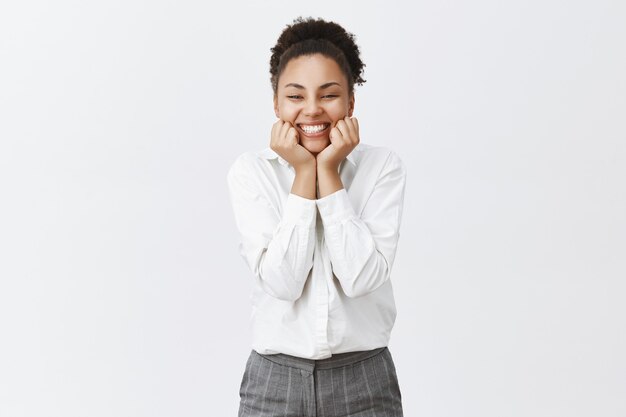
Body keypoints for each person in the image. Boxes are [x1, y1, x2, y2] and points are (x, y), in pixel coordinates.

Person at [227, 16, 407, 417]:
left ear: (351, 103)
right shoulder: (251, 171)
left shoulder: (382, 168)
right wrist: (303, 175)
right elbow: (283, 282)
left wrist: (327, 173)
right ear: (275, 102)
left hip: (364, 378)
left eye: (328, 95)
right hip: (274, 381)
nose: (312, 109)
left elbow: (362, 278)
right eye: (295, 96)